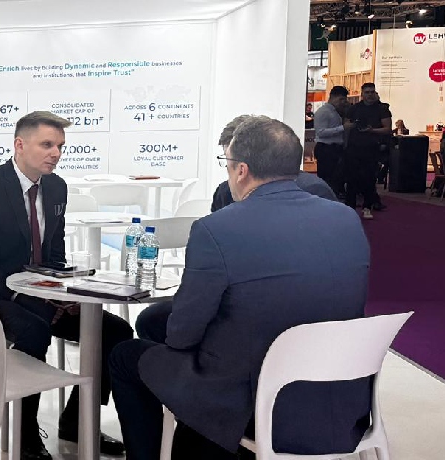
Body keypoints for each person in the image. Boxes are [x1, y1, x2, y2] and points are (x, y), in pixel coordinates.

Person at [111, 116, 372, 459]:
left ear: (241, 170)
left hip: (254, 403)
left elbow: (181, 336)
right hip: (339, 397)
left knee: (124, 356)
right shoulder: (346, 218)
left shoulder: (215, 229)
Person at [0, 111, 133, 459]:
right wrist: (27, 293)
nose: (56, 153)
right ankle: (24, 436)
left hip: (41, 290)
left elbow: (54, 253)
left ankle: (77, 422)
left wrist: (64, 288)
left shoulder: (56, 187)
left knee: (115, 330)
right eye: (47, 145)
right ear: (19, 145)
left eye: (60, 146)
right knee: (35, 329)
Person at [210, 115, 336, 212]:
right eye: (227, 159)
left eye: (232, 160)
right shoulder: (224, 193)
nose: (231, 168)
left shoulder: (312, 189)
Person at [344, 82, 391, 219]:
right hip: (353, 147)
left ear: (375, 93)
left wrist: (372, 130)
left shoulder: (382, 109)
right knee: (351, 179)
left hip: (371, 148)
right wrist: (353, 126)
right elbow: (346, 125)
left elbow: (387, 129)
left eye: (372, 92)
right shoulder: (354, 108)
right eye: (367, 92)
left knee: (369, 179)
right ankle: (350, 207)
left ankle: (367, 207)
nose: (370, 95)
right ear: (362, 94)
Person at [313, 86, 351, 198]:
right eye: (341, 99)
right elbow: (320, 132)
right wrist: (343, 128)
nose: (343, 102)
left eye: (344, 99)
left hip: (335, 148)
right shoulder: (323, 112)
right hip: (326, 148)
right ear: (333, 97)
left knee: (336, 178)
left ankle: (332, 198)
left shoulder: (335, 112)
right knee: (327, 179)